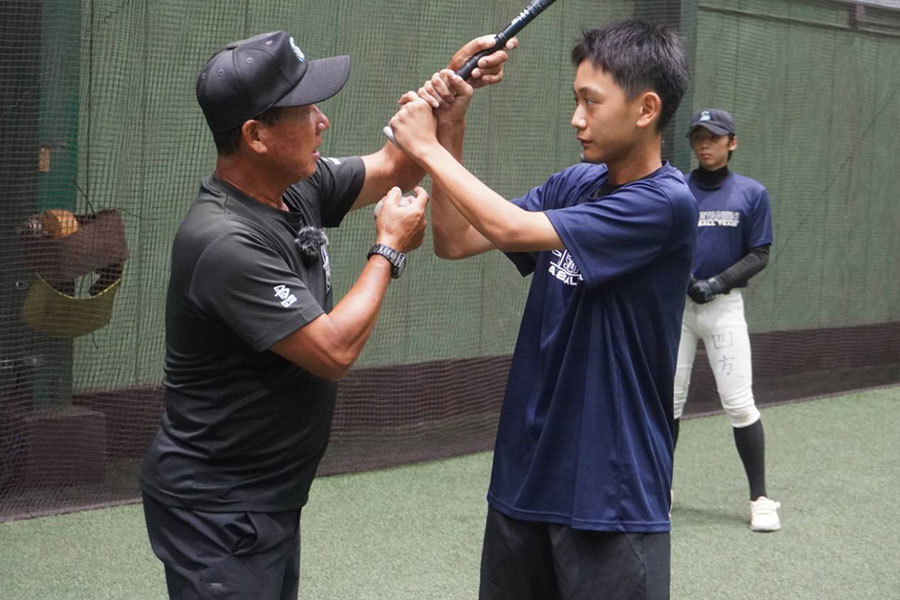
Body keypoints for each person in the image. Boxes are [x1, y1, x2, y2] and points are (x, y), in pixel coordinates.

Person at [139, 30, 513, 600]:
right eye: (306, 109)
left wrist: (451, 88)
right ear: (256, 135)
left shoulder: (294, 188)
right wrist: (387, 249)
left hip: (263, 497)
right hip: (215, 508)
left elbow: (395, 165)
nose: (323, 122)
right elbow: (333, 351)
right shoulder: (224, 242)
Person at [392, 19, 693, 600]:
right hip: (524, 482)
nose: (576, 117)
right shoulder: (576, 184)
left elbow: (508, 224)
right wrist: (452, 123)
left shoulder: (665, 204)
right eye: (574, 99)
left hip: (612, 498)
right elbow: (456, 238)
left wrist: (424, 144)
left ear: (646, 108)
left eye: (590, 102)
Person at [673, 108, 780, 532]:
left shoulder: (752, 194)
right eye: (699, 137)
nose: (705, 144)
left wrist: (716, 284)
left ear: (731, 142)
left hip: (724, 309)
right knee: (668, 403)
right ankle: (658, 491)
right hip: (677, 310)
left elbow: (759, 254)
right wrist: (687, 281)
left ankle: (760, 499)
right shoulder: (675, 189)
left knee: (739, 403)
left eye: (714, 138)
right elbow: (660, 243)